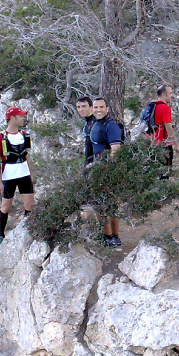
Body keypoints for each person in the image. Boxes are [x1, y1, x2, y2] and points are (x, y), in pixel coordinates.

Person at [0, 106, 35, 245]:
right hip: (8, 177)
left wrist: (31, 174)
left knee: (29, 205)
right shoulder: (0, 138)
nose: (23, 118)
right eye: (21, 116)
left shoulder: (24, 135)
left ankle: (28, 231)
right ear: (13, 118)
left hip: (24, 175)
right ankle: (0, 235)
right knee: (5, 207)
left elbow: (26, 155)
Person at [89, 98, 123, 248]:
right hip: (98, 167)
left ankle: (109, 237)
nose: (98, 110)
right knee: (108, 204)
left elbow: (115, 149)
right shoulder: (97, 124)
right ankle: (112, 237)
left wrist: (108, 171)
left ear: (107, 108)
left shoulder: (111, 126)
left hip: (106, 170)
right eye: (96, 107)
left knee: (103, 204)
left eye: (101, 107)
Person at [150, 85, 179, 175]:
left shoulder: (152, 106)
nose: (172, 95)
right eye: (170, 93)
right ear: (164, 95)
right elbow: (169, 128)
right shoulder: (165, 108)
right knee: (165, 174)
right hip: (163, 145)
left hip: (151, 144)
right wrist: (177, 146)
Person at [76, 96, 96, 166]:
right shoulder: (87, 122)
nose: (81, 109)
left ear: (91, 107)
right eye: (78, 107)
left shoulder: (95, 122)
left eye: (84, 106)